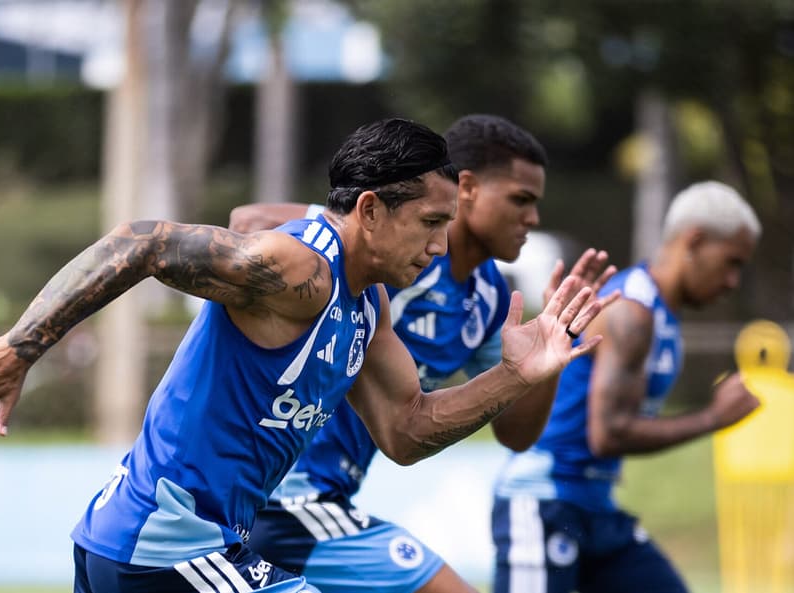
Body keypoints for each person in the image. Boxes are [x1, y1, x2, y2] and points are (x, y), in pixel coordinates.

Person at [0, 118, 606, 593]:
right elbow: (142, 241)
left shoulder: (368, 307)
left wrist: (517, 372)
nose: (435, 246)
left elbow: (407, 428)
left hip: (168, 547)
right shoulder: (299, 269)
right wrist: (20, 346)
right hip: (166, 543)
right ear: (369, 210)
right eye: (428, 223)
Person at [228, 114, 617, 593]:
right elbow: (248, 222)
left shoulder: (490, 297)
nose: (533, 219)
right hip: (288, 497)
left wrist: (554, 349)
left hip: (330, 499)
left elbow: (515, 433)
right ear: (467, 188)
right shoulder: (391, 249)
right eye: (521, 199)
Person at [491, 180, 762, 593]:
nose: (732, 281)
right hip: (544, 501)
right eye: (731, 262)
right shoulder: (632, 313)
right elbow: (609, 433)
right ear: (696, 240)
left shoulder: (659, 313)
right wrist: (713, 418)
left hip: (594, 507)